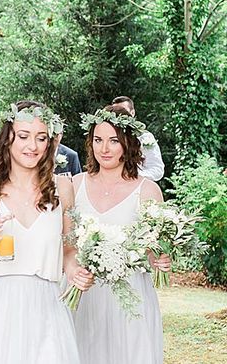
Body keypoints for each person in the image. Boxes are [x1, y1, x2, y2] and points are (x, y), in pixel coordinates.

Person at [0, 100, 92, 363]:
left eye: (41, 138)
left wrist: (76, 272)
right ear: (8, 139)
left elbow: (69, 250)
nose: (33, 146)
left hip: (48, 306)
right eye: (24, 136)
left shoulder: (63, 188)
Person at [72, 103, 169, 364]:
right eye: (98, 140)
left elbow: (153, 248)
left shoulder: (147, 191)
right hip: (83, 294)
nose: (104, 148)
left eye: (114, 140)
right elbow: (63, 242)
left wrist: (160, 258)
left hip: (130, 297)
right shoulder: (74, 185)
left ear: (128, 143)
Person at [113, 95, 165, 181]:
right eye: (116, 113)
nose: (119, 116)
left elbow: (157, 169)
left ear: (132, 113)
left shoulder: (145, 137)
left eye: (123, 112)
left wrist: (132, 176)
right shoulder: (105, 137)